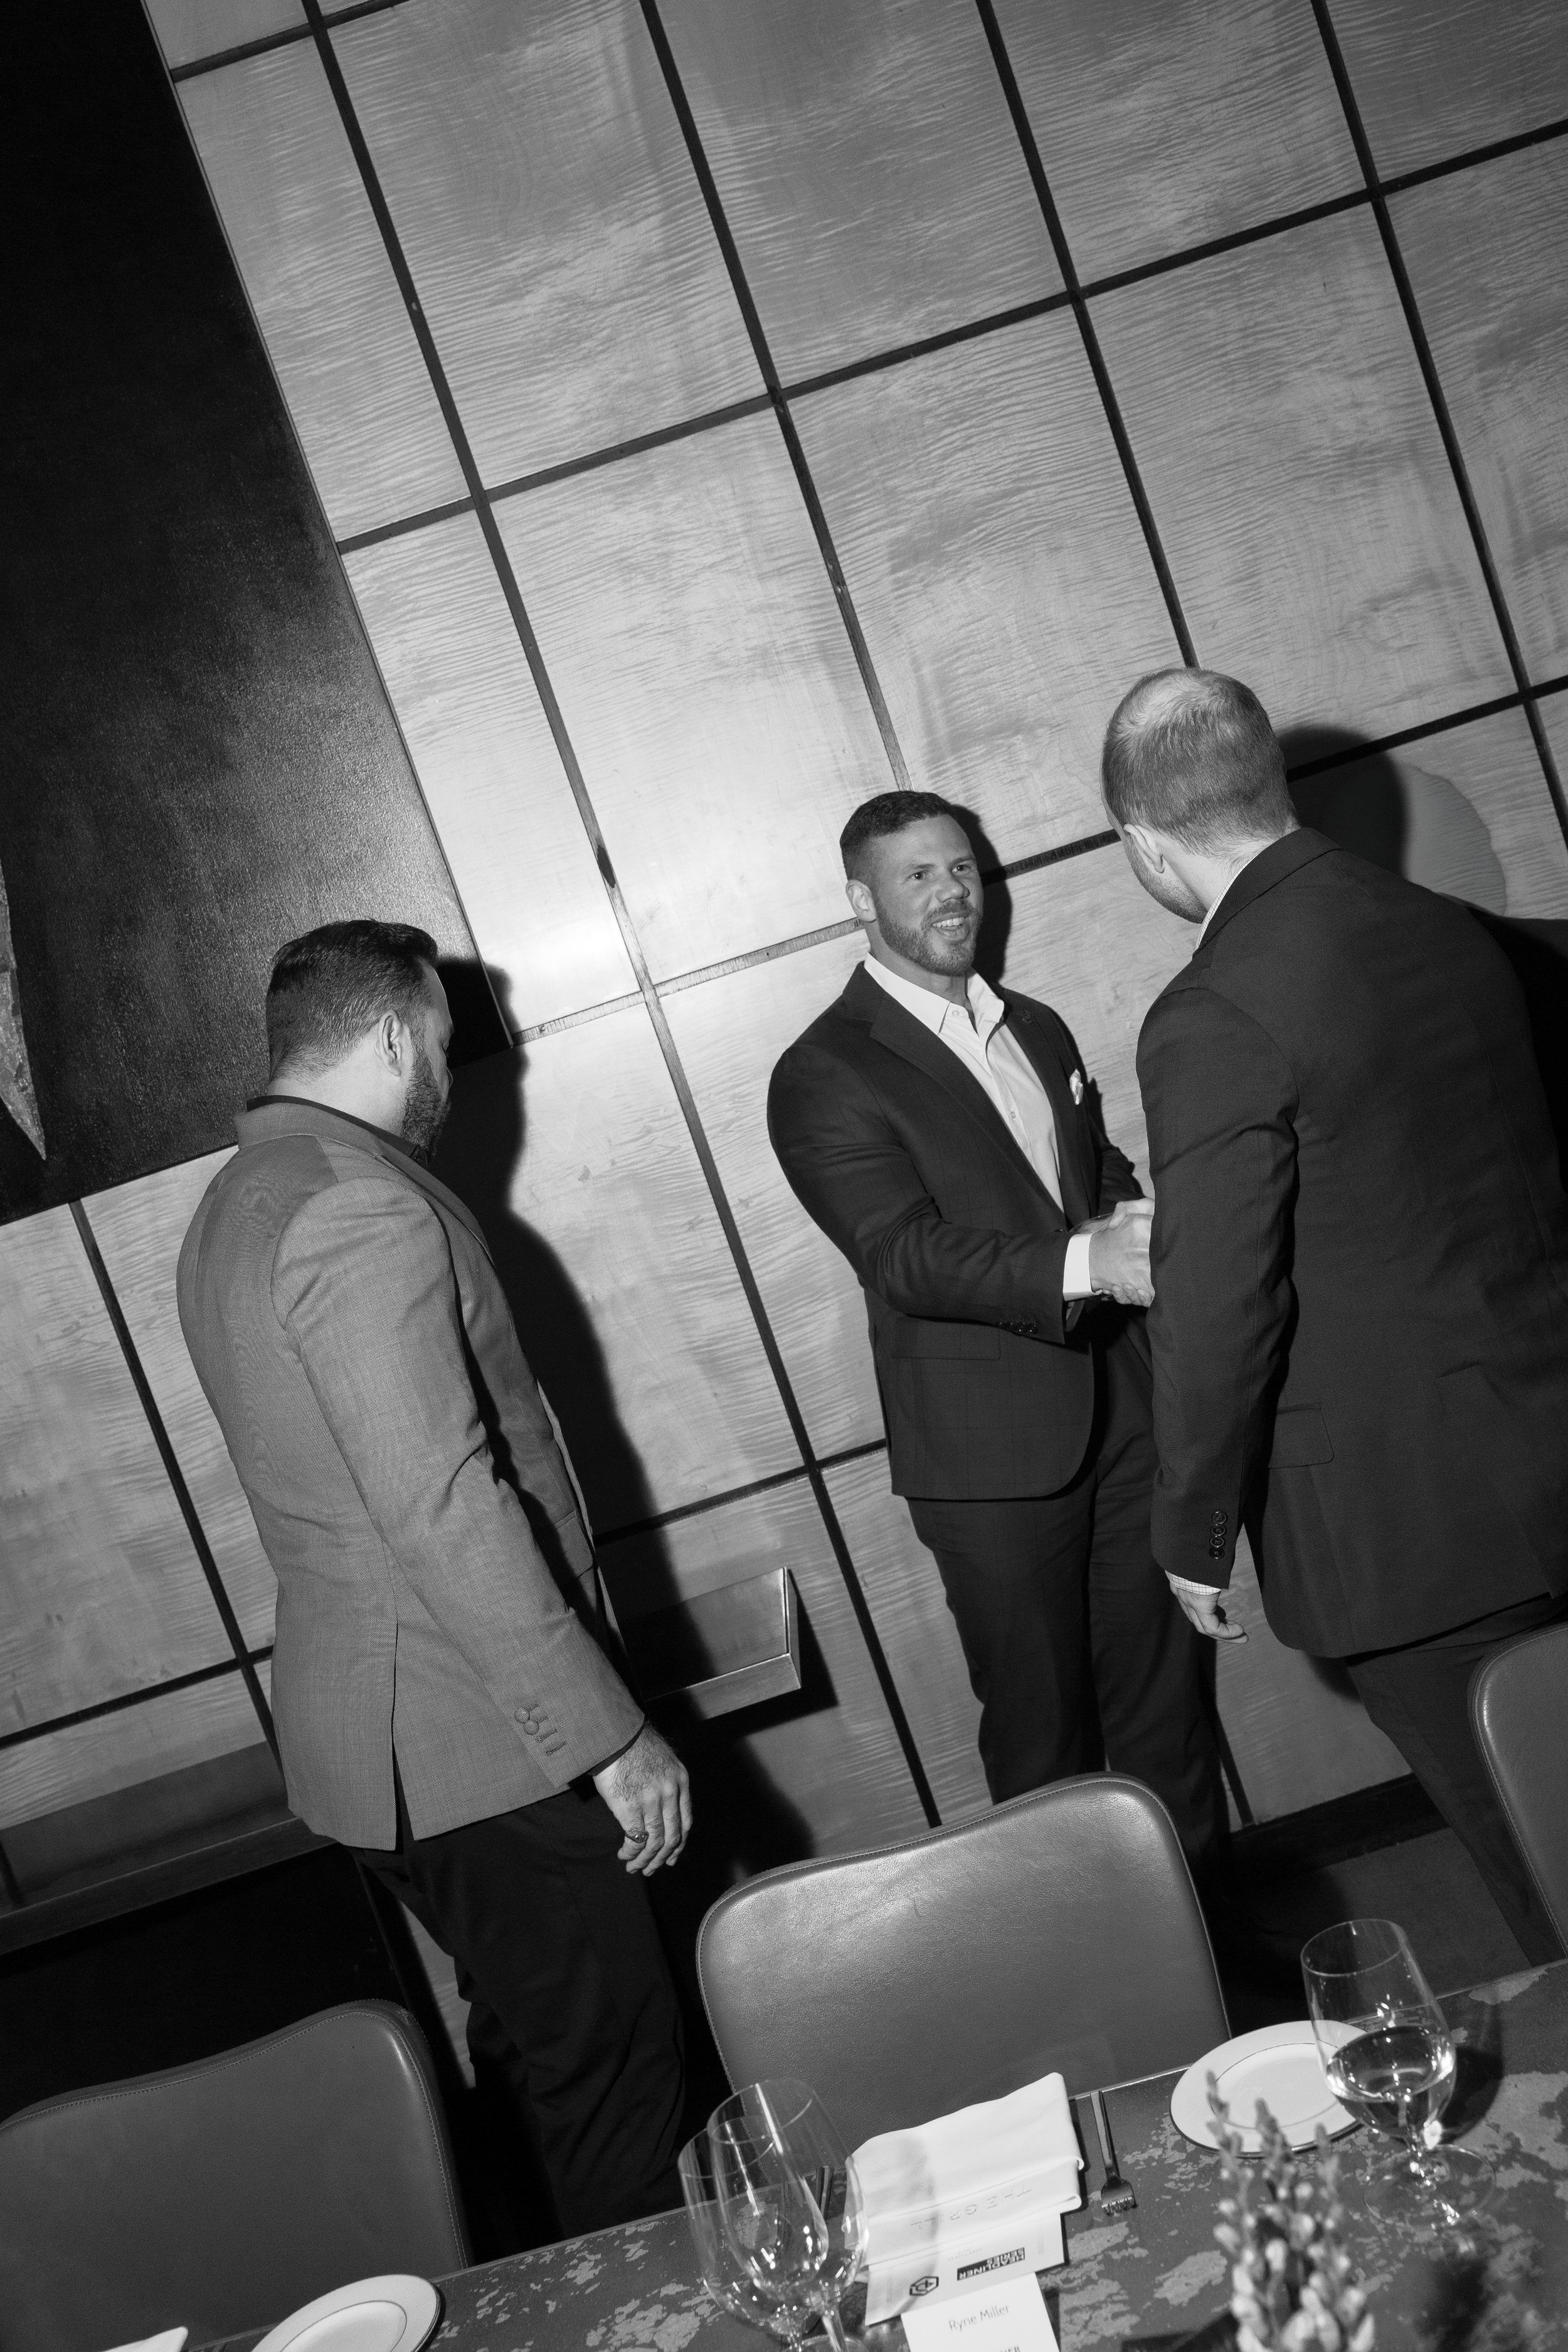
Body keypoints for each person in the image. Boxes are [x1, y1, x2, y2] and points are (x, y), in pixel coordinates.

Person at [177, 919, 692, 2233]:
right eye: (445, 1047)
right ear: (398, 1036)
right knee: (621, 2095)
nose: (449, 1077)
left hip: (400, 1757)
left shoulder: (240, 1201)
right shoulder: (357, 1202)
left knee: (532, 2071)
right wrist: (610, 1737)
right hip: (481, 1739)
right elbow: (442, 1503)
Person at [1104, 667, 1568, 1963]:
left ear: (1141, 844)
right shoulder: (1438, 925)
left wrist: (1192, 1524)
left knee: (1538, 1868)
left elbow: (1219, 1297)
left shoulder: (1209, 1010)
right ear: (1268, 782)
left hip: (1414, 1528)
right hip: (1546, 1441)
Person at [767, 793, 1224, 1872]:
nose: (951, 891)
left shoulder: (1036, 1024)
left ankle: (1210, 1959)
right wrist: (1086, 1262)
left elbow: (1090, 1177)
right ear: (860, 901)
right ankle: (1100, 2002)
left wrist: (1133, 1220)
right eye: (917, 874)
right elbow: (902, 1254)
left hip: (1124, 1423)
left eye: (963, 866)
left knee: (1169, 1714)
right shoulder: (823, 1071)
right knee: (1047, 1747)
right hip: (989, 1468)